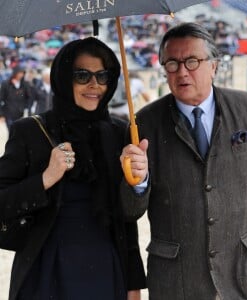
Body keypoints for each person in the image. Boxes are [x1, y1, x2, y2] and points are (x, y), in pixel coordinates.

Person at [120, 22, 247, 300]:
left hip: (243, 278)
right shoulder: (143, 124)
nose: (182, 71)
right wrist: (138, 181)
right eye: (171, 63)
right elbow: (130, 212)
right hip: (174, 281)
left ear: (213, 66)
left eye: (192, 61)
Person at [0, 37, 146, 300]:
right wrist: (45, 179)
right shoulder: (29, 131)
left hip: (105, 266)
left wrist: (133, 284)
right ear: (63, 78)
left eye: (103, 76)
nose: (95, 85)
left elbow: (126, 222)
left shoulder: (119, 132)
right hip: (46, 269)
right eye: (82, 75)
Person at [0, 65, 33, 129]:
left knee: (19, 132)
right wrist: (1, 114)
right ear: (15, 73)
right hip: (8, 113)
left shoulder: (25, 84)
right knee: (11, 132)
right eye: (19, 73)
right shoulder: (5, 84)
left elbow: (29, 97)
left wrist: (26, 108)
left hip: (21, 114)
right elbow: (1, 98)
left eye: (22, 73)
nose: (21, 75)